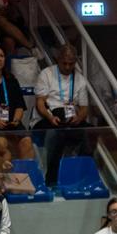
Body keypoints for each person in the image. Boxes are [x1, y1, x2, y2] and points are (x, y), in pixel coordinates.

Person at [34, 44, 91, 186]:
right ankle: (51, 179)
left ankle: (82, 176)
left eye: (71, 64)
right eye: (64, 63)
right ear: (58, 60)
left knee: (90, 133)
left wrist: (79, 118)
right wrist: (50, 117)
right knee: (57, 134)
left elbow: (84, 108)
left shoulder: (80, 80)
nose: (67, 67)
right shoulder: (46, 74)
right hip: (48, 117)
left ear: (75, 62)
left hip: (71, 117)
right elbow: (40, 103)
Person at [0, 47, 32, 161]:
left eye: (2, 56)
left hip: (12, 124)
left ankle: (25, 171)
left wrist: (16, 120)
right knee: (2, 144)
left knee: (27, 141)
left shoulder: (11, 80)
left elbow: (19, 106)